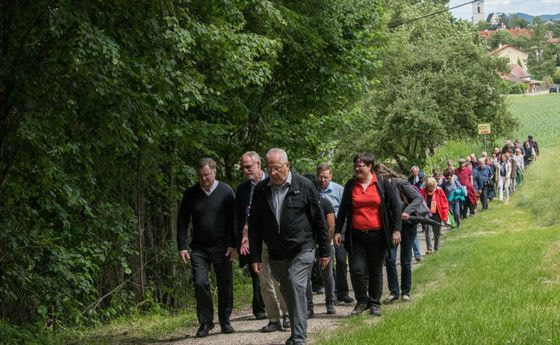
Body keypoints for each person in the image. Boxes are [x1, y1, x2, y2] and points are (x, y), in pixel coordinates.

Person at [249, 148, 330, 345]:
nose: (273, 172)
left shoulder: (304, 186)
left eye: (276, 168)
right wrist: (255, 256)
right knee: (287, 292)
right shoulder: (261, 190)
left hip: (302, 248)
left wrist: (324, 250)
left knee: (295, 284)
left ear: (287, 166)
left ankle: (300, 338)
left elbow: (319, 220)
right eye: (269, 168)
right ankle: (295, 334)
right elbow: (255, 225)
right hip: (277, 253)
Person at [334, 154, 402, 317]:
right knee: (357, 269)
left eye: (360, 166)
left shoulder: (382, 183)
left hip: (378, 235)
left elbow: (396, 207)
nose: (357, 169)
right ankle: (362, 302)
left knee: (375, 270)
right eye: (356, 166)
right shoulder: (351, 185)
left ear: (370, 167)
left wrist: (396, 229)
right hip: (356, 235)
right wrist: (337, 230)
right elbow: (343, 209)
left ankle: (374, 303)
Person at [177, 158, 236, 338]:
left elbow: (234, 220)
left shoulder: (226, 191)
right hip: (199, 247)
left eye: (207, 175)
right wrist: (182, 246)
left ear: (214, 172)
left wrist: (233, 243)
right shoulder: (191, 194)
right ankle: (205, 322)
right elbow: (182, 221)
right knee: (200, 282)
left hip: (222, 247)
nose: (204, 179)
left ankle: (225, 320)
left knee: (225, 283)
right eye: (201, 176)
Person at [235, 151, 288, 333]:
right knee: (264, 281)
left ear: (258, 164)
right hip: (255, 240)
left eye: (248, 166)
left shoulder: (272, 182)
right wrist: (242, 238)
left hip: (276, 239)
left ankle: (287, 314)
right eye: (243, 167)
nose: (245, 170)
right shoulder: (242, 189)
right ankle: (273, 318)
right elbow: (242, 217)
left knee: (280, 279)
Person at [374, 163, 425, 304]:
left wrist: (406, 212)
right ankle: (394, 292)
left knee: (405, 259)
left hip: (408, 225)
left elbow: (418, 198)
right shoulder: (378, 188)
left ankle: (406, 292)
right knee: (389, 259)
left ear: (385, 175)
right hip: (391, 227)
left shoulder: (400, 183)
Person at [315, 164, 354, 305]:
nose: (323, 179)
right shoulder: (314, 190)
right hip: (322, 231)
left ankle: (343, 293)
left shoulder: (339, 190)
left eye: (326, 177)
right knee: (326, 263)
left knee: (342, 260)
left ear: (331, 176)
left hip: (339, 228)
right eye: (321, 176)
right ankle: (331, 294)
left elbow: (347, 209)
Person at [303, 173, 336, 317]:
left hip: (325, 243)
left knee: (327, 276)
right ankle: (309, 307)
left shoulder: (324, 202)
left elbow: (330, 226)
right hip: (307, 245)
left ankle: (330, 302)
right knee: (306, 277)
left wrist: (325, 247)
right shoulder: (301, 204)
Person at [420, 178, 449, 253]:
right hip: (427, 214)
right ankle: (429, 248)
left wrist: (445, 216)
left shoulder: (439, 191)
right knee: (427, 230)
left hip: (437, 214)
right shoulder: (423, 192)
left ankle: (436, 247)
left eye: (432, 186)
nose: (430, 188)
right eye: (428, 186)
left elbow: (444, 204)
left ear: (435, 184)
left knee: (437, 231)